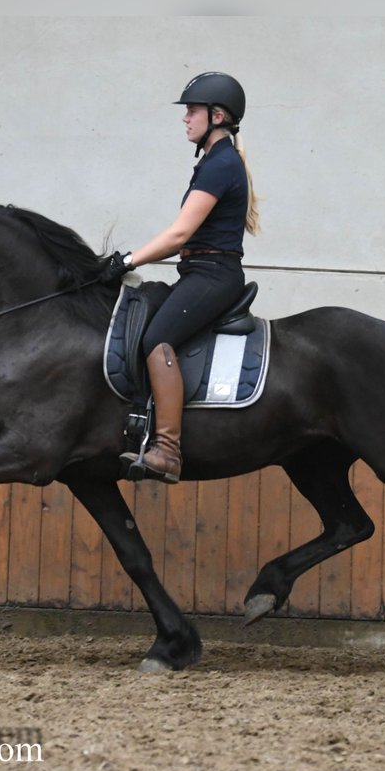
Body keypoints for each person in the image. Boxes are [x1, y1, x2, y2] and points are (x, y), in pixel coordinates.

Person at [103, 71, 262, 484]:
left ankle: (168, 450)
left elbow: (179, 233)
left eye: (192, 111)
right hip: (198, 270)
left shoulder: (221, 164)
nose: (185, 118)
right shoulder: (215, 162)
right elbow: (181, 241)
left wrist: (127, 260)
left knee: (158, 339)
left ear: (218, 115)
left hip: (214, 275)